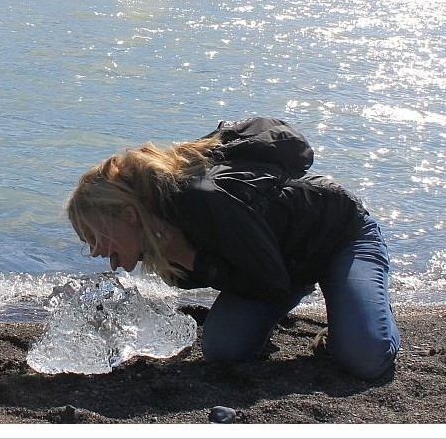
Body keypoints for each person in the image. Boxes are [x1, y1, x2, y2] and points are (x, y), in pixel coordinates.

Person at [65, 116, 401, 381]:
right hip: (282, 263)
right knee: (223, 349)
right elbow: (242, 274)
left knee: (365, 359)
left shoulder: (203, 198)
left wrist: (192, 257)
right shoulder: (159, 237)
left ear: (128, 215)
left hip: (342, 237)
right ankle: (350, 315)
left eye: (95, 236)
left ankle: (365, 314)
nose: (95, 251)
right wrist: (188, 260)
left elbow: (271, 285)